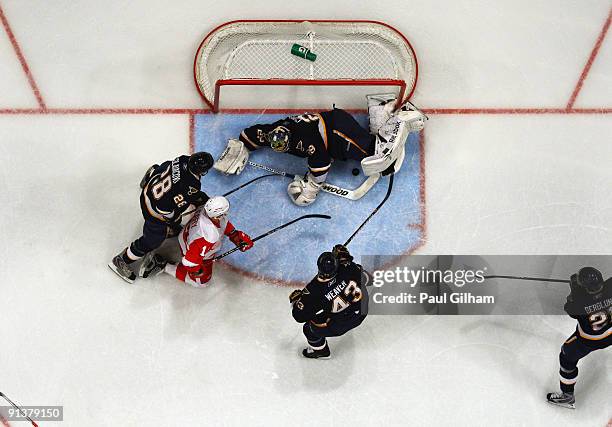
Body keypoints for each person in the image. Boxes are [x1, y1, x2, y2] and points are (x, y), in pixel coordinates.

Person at [213, 94, 427, 206]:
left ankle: (402, 116)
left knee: (376, 155)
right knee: (369, 147)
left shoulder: (304, 140)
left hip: (337, 132)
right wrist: (241, 149)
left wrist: (310, 189)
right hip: (332, 123)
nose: (284, 149)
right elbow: (252, 133)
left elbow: (321, 162)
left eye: (286, 146)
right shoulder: (274, 133)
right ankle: (381, 108)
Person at [108, 152, 214, 283]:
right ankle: (122, 260)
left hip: (148, 190)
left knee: (160, 171)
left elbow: (164, 166)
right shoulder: (191, 185)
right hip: (153, 209)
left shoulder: (183, 159)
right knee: (153, 239)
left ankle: (149, 176)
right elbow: (165, 209)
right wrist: (174, 220)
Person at [138, 196, 253, 288]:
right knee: (202, 283)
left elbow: (223, 224)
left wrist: (235, 235)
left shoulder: (206, 209)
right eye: (224, 212)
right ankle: (162, 265)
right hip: (191, 247)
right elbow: (190, 261)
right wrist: (196, 271)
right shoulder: (208, 236)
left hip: (187, 235)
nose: (226, 214)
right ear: (218, 215)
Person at [546, 267, 611, 409]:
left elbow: (569, 309)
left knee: (566, 358)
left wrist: (574, 288)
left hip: (590, 341)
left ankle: (567, 396)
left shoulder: (579, 302)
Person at [290, 245, 369, 358]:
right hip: (363, 309)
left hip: (342, 324)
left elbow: (299, 317)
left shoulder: (314, 290)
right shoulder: (348, 266)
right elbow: (365, 277)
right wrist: (343, 254)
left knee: (308, 329)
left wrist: (297, 301)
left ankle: (321, 352)